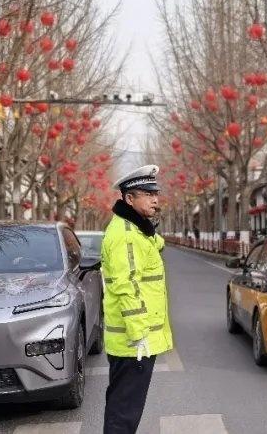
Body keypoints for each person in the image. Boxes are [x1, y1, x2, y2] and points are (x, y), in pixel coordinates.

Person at [100, 165, 173, 434]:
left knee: (123, 404)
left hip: (131, 342)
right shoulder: (127, 236)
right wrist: (140, 334)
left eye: (156, 193)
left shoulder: (135, 229)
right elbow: (125, 286)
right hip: (133, 342)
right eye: (147, 194)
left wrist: (149, 231)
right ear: (129, 199)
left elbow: (154, 247)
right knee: (124, 412)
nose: (155, 199)